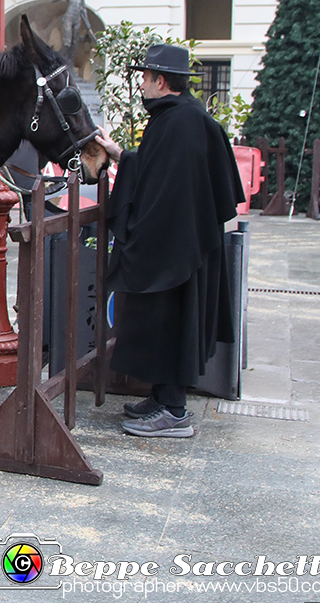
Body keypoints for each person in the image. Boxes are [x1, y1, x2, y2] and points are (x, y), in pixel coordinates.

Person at [105, 44, 245, 438]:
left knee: (171, 320)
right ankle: (163, 396)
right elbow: (156, 173)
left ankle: (175, 410)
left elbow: (168, 191)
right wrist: (121, 155)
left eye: (146, 79)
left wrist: (142, 238)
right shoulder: (182, 118)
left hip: (173, 248)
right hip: (179, 244)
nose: (143, 86)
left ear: (161, 81)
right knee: (163, 320)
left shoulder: (180, 123)